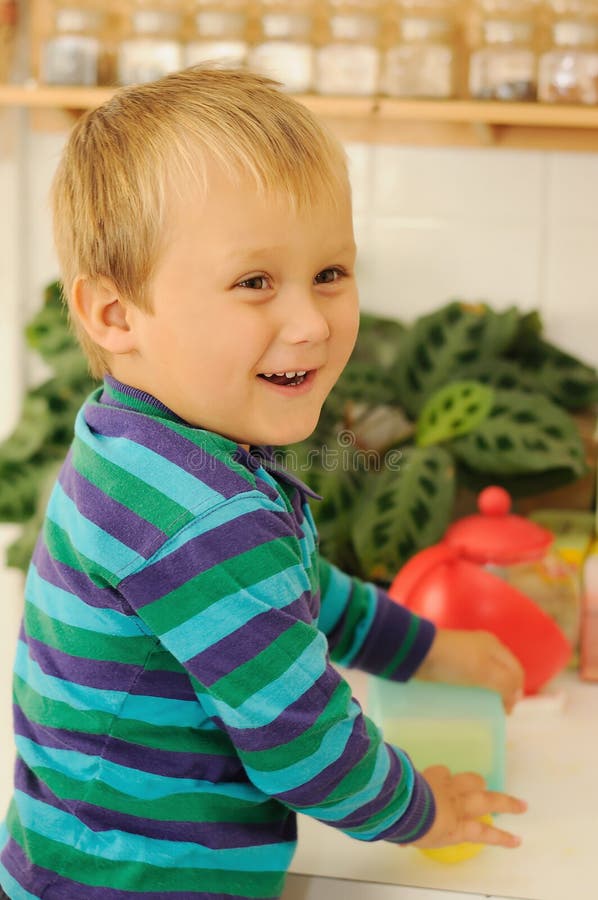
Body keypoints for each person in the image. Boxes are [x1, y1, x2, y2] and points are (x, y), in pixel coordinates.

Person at [0, 67, 526, 900]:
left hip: (82, 852)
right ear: (114, 315)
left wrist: (423, 651)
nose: (312, 322)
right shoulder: (206, 513)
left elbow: (294, 586)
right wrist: (429, 812)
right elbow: (304, 747)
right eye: (255, 283)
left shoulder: (136, 440)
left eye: (330, 274)